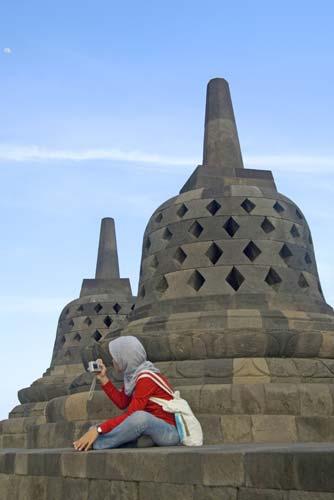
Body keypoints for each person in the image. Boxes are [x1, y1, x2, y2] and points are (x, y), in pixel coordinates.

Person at [73, 335, 180, 451]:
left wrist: (99, 429)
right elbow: (122, 402)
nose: (113, 361)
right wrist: (103, 378)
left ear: (125, 357)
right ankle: (138, 441)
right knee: (125, 423)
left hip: (169, 433)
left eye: (115, 357)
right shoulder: (132, 376)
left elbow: (133, 414)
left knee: (140, 417)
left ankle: (97, 444)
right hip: (150, 431)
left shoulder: (146, 378)